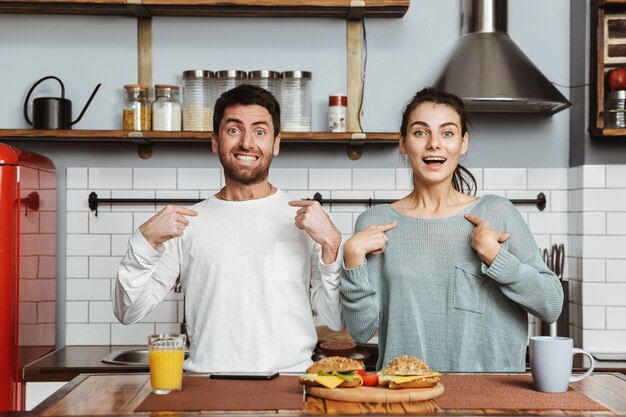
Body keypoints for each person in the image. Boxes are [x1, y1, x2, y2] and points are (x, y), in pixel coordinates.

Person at [114, 84, 344, 373]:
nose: (247, 143)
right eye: (234, 130)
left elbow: (335, 319)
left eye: (260, 131)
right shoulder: (188, 223)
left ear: (276, 143)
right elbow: (128, 311)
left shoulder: (304, 221)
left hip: (289, 385)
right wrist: (144, 241)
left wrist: (332, 247)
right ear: (215, 141)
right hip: (206, 387)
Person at [340, 87, 563, 372]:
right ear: (403, 143)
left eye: (447, 133)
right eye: (420, 133)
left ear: (463, 143)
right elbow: (361, 330)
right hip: (406, 396)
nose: (434, 143)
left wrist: (498, 258)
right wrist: (352, 259)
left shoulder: (497, 212)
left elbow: (551, 304)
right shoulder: (375, 223)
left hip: (488, 404)